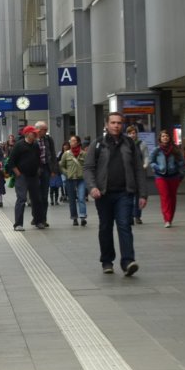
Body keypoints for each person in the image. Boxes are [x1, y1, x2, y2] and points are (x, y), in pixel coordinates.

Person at [83, 112, 147, 275]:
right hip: (103, 193)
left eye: (119, 123)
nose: (116, 125)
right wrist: (92, 187)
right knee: (105, 227)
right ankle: (107, 261)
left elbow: (138, 169)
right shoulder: (98, 144)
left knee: (124, 225)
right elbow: (88, 168)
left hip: (124, 193)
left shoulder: (130, 144)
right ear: (106, 125)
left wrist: (143, 194)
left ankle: (128, 261)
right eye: (113, 122)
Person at [8, 125, 44, 231]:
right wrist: (17, 173)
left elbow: (38, 158)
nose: (36, 135)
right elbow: (11, 161)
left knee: (37, 199)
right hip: (22, 176)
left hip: (33, 176)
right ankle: (18, 224)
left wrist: (38, 169)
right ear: (27, 134)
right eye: (34, 133)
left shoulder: (36, 145)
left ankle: (38, 221)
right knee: (22, 199)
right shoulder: (19, 145)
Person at [150, 129, 185, 227]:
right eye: (163, 136)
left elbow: (182, 161)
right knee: (165, 197)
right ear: (160, 138)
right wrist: (158, 168)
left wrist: (177, 167)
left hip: (174, 176)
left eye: (167, 136)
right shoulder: (156, 150)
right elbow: (151, 161)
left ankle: (170, 218)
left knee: (172, 198)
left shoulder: (175, 149)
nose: (165, 138)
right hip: (160, 176)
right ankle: (167, 219)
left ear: (170, 138)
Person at [33, 121, 59, 227]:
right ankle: (36, 217)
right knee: (36, 196)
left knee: (44, 195)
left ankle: (42, 219)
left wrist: (54, 169)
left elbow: (53, 154)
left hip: (46, 169)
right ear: (39, 130)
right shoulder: (32, 139)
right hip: (34, 171)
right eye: (45, 129)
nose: (46, 131)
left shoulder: (48, 139)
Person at [59, 134, 88, 227]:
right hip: (70, 179)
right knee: (71, 199)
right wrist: (66, 173)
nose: (71, 142)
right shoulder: (66, 154)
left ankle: (83, 217)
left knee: (81, 198)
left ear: (78, 142)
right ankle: (74, 218)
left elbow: (88, 165)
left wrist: (85, 173)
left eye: (73, 141)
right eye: (70, 141)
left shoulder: (83, 153)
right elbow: (61, 165)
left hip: (81, 179)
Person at [125, 125, 149, 224]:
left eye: (134, 133)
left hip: (139, 172)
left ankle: (137, 216)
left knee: (139, 196)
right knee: (129, 196)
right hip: (128, 173)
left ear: (137, 134)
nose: (132, 135)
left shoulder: (142, 144)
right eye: (130, 133)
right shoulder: (125, 144)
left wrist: (145, 165)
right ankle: (130, 216)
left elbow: (146, 156)